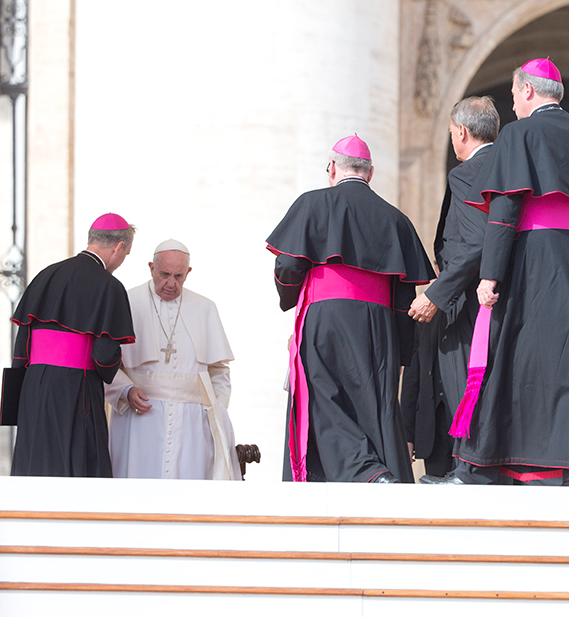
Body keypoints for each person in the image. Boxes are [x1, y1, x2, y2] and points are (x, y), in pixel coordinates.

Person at [441, 58, 569, 486]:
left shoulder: (519, 134)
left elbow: (504, 211)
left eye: (514, 94)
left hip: (533, 260)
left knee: (509, 356)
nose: (512, 104)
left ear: (528, 91)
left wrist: (490, 276)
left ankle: (482, 465)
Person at [268, 134, 436, 483]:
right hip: (379, 325)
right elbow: (406, 297)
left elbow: (287, 266)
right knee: (376, 402)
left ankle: (366, 471)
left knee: (322, 397)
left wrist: (290, 298)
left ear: (332, 169)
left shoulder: (312, 204)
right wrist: (401, 349)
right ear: (370, 172)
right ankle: (383, 470)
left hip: (326, 317)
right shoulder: (397, 220)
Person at [407, 96, 499, 485]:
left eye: (450, 133)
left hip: (466, 299)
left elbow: (475, 244)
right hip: (501, 295)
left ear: (461, 132)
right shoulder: (509, 166)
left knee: (465, 380)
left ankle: (467, 469)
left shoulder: (467, 173)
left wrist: (436, 293)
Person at [7, 213, 136, 477]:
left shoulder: (45, 275)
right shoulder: (108, 286)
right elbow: (104, 358)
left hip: (33, 388)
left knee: (37, 460)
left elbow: (22, 346)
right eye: (126, 254)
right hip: (77, 389)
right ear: (119, 246)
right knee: (77, 464)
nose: (122, 261)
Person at [105, 239, 239, 480]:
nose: (171, 283)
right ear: (151, 268)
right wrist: (125, 390)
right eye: (164, 274)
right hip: (138, 418)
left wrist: (216, 411)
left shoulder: (204, 307)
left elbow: (219, 370)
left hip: (193, 424)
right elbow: (106, 361)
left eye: (178, 276)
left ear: (188, 273)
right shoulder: (126, 301)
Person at [400, 319, 454, 478]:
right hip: (432, 430)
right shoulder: (422, 320)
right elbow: (411, 381)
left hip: (467, 431)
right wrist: (407, 436)